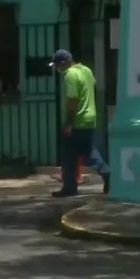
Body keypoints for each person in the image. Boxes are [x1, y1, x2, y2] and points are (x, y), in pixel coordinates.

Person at [49, 49, 110, 197]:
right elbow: (92, 86)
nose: (58, 69)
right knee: (87, 151)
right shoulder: (86, 70)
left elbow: (72, 100)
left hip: (78, 119)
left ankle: (70, 186)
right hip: (90, 117)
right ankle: (105, 174)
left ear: (64, 63)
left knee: (70, 154)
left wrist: (69, 123)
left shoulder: (70, 75)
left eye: (58, 65)